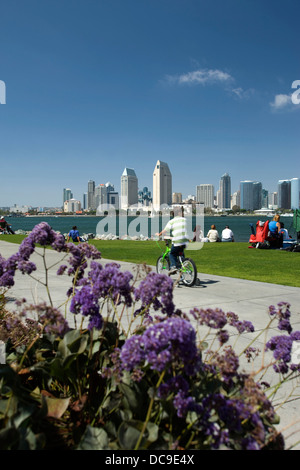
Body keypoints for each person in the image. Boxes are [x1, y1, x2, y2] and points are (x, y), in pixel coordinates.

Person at [156, 207, 189, 275]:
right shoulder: (185, 220)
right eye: (182, 212)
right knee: (180, 252)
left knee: (172, 254)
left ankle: (173, 266)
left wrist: (159, 234)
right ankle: (182, 263)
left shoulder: (171, 221)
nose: (183, 213)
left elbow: (165, 230)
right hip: (185, 241)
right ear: (179, 213)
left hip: (177, 241)